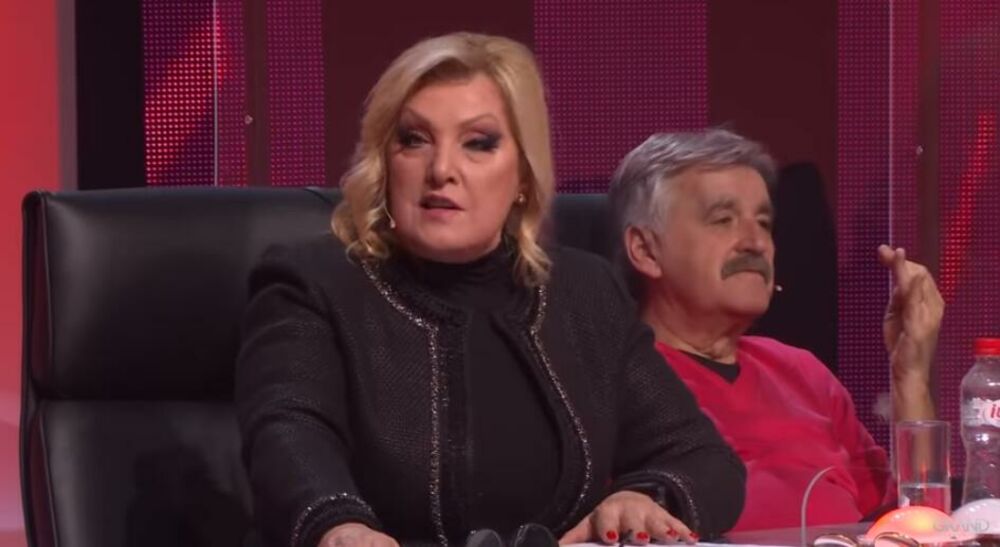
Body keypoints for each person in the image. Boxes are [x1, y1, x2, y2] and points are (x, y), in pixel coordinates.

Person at [235, 34, 745, 547]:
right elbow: (290, 432)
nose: (441, 170)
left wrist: (646, 498)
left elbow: (701, 457)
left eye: (478, 143)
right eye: (414, 139)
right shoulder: (312, 284)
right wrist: (338, 527)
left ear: (522, 174)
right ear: (386, 162)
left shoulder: (585, 293)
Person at [608, 129, 944, 531]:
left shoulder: (803, 372)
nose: (756, 243)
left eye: (764, 222)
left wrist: (911, 378)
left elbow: (915, 520)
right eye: (723, 220)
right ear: (646, 250)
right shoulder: (611, 383)